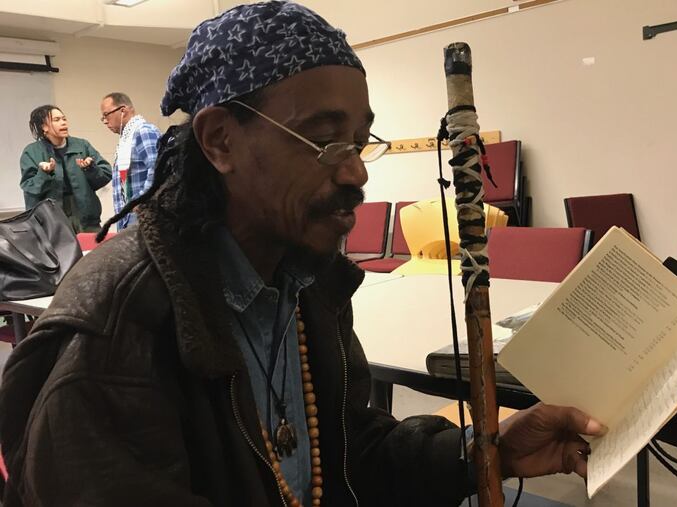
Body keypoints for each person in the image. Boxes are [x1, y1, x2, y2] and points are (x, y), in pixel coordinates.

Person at [0, 3, 605, 506]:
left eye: (359, 140)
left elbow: (348, 455)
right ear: (220, 141)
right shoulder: (116, 333)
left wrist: (481, 452)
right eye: (323, 139)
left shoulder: (307, 281)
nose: (355, 172)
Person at [19, 105, 112, 232]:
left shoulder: (82, 145)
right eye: (56, 120)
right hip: (51, 225)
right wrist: (44, 173)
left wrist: (91, 168)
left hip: (87, 220)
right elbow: (30, 187)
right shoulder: (32, 152)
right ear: (44, 127)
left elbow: (105, 175)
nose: (63, 123)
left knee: (94, 245)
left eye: (64, 119)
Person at [100, 91, 161, 230]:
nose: (105, 121)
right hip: (129, 218)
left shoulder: (144, 131)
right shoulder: (126, 140)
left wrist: (140, 202)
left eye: (106, 115)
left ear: (123, 111)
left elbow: (158, 169)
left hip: (144, 216)